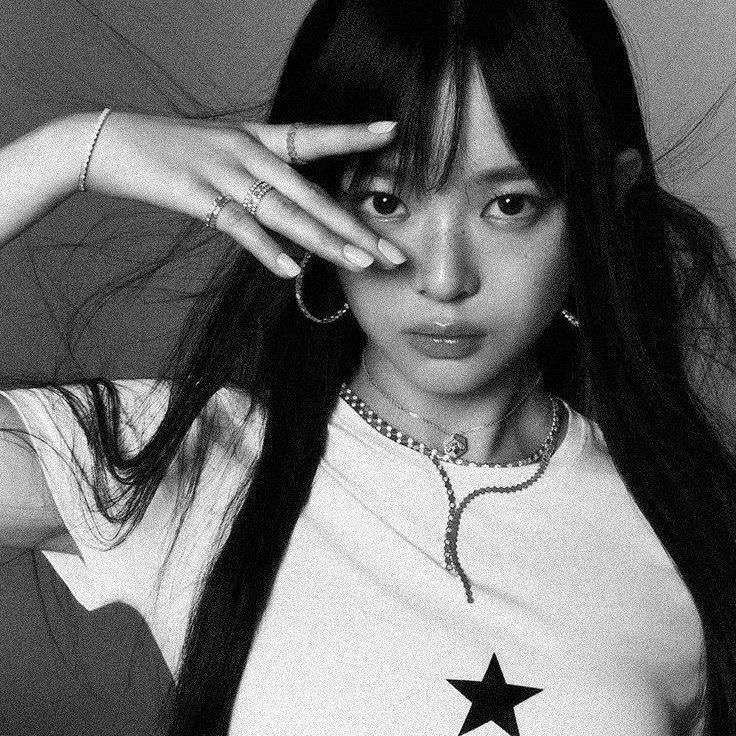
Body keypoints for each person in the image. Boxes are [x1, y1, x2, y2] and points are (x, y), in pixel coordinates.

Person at [0, 0, 735, 734]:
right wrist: (72, 152)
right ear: (308, 196)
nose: (444, 278)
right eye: (386, 200)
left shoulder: (693, 529)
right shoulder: (197, 461)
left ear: (605, 203)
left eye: (510, 205)